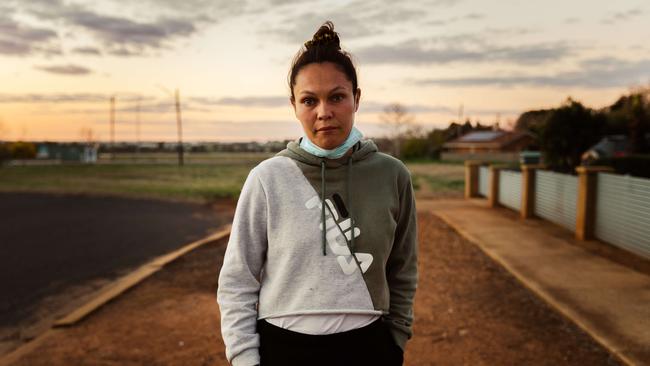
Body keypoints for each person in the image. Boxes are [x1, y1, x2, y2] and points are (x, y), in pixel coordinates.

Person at [217, 21, 418, 366]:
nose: (324, 112)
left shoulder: (392, 175)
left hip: (368, 348)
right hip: (282, 348)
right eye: (309, 100)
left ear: (356, 98)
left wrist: (395, 341)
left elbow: (403, 269)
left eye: (337, 97)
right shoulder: (267, 178)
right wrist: (245, 358)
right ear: (294, 105)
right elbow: (237, 280)